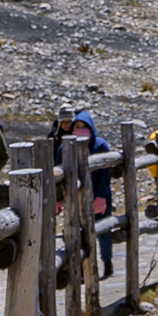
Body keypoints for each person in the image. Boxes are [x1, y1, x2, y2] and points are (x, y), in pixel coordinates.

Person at [68, 112, 117, 279]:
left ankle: (107, 263)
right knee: (80, 233)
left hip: (100, 196)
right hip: (77, 199)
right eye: (77, 127)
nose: (80, 130)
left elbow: (106, 173)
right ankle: (83, 268)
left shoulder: (100, 145)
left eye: (84, 127)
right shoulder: (66, 147)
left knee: (103, 232)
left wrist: (102, 196)